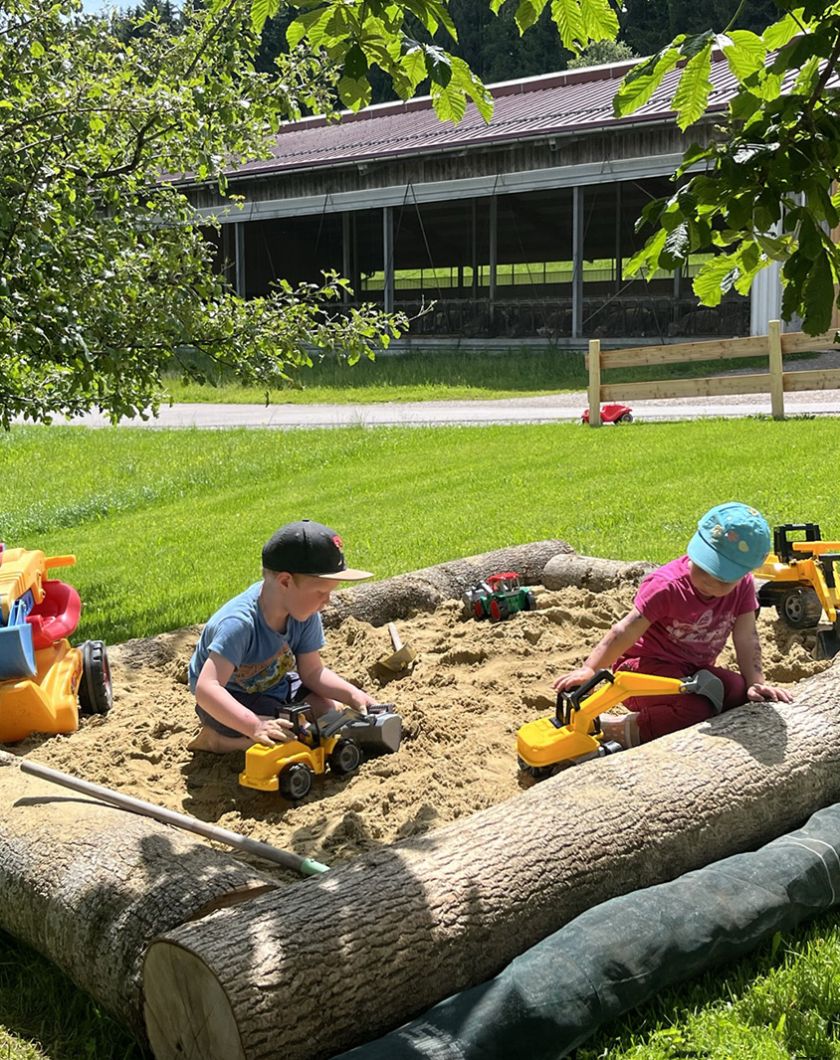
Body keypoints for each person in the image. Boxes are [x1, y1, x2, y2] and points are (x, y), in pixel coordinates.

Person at [553, 502, 794, 747]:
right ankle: (618, 728)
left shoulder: (742, 588)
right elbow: (625, 629)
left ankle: (661, 719)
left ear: (743, 574)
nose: (708, 581)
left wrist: (755, 683)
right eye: (704, 567)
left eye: (722, 577)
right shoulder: (667, 586)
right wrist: (590, 670)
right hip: (640, 672)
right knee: (696, 709)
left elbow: (746, 638)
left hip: (691, 672)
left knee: (737, 691)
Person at [187, 519, 376, 753]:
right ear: (285, 581)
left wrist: (352, 694)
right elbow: (208, 688)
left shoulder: (304, 613)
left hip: (277, 685)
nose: (326, 601)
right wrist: (255, 725)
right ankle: (216, 741)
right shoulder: (238, 624)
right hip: (231, 699)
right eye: (321, 592)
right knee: (287, 737)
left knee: (327, 710)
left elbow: (312, 672)